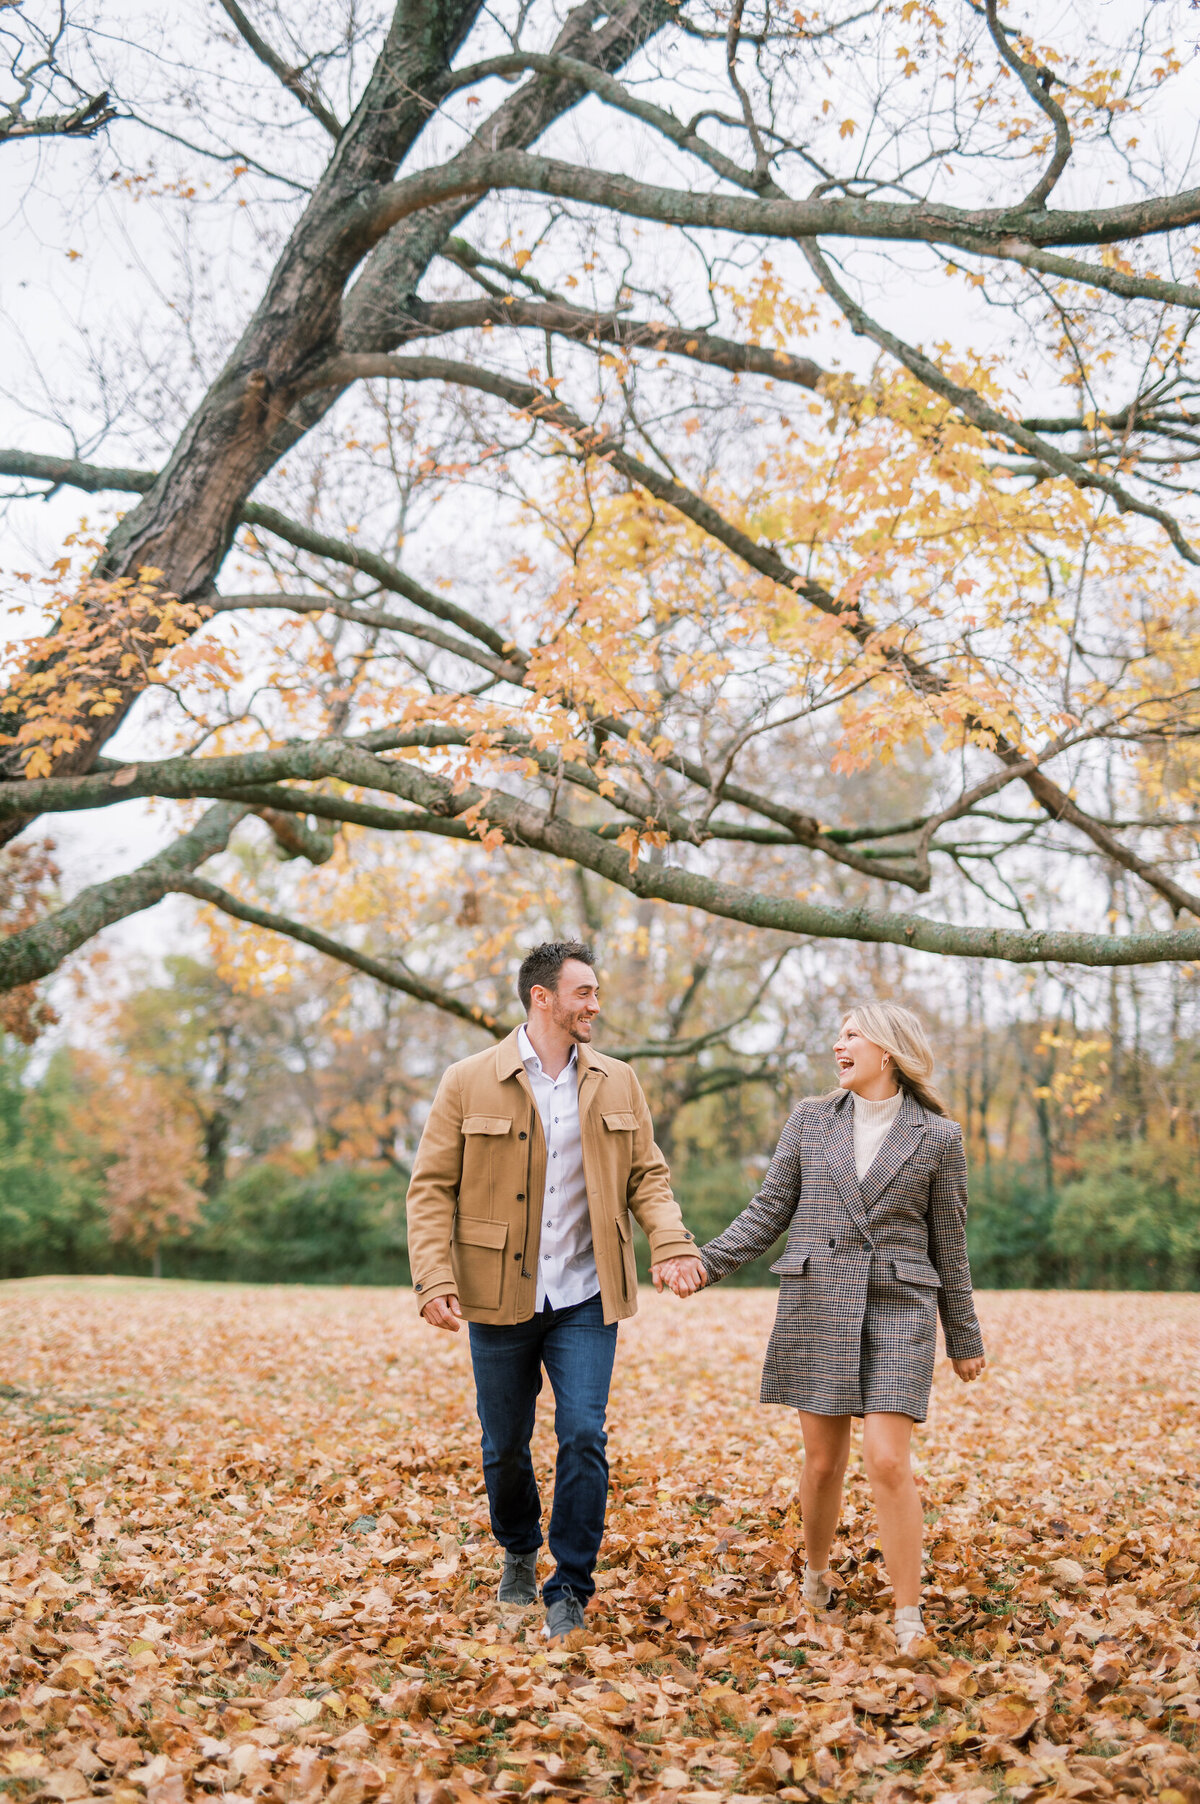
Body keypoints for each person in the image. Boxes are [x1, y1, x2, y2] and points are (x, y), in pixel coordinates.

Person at [407, 940, 706, 1643]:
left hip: (585, 1294)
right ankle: (517, 1548)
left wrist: (672, 1242)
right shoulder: (467, 1080)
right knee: (504, 1443)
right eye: (584, 993)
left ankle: (569, 1583)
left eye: (595, 993)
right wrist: (433, 1276)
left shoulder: (618, 1081)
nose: (595, 1005)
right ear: (542, 998)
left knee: (583, 1435)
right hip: (497, 1294)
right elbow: (430, 1190)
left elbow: (647, 1178)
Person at [669, 1000, 985, 1655]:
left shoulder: (937, 1137)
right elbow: (768, 1210)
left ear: (887, 1051)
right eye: (837, 1035)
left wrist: (965, 1339)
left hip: (901, 1305)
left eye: (851, 1035)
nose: (838, 1045)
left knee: (889, 1462)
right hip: (819, 1300)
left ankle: (908, 1615)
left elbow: (950, 1244)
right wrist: (705, 1264)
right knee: (823, 1463)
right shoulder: (811, 1121)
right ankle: (816, 1573)